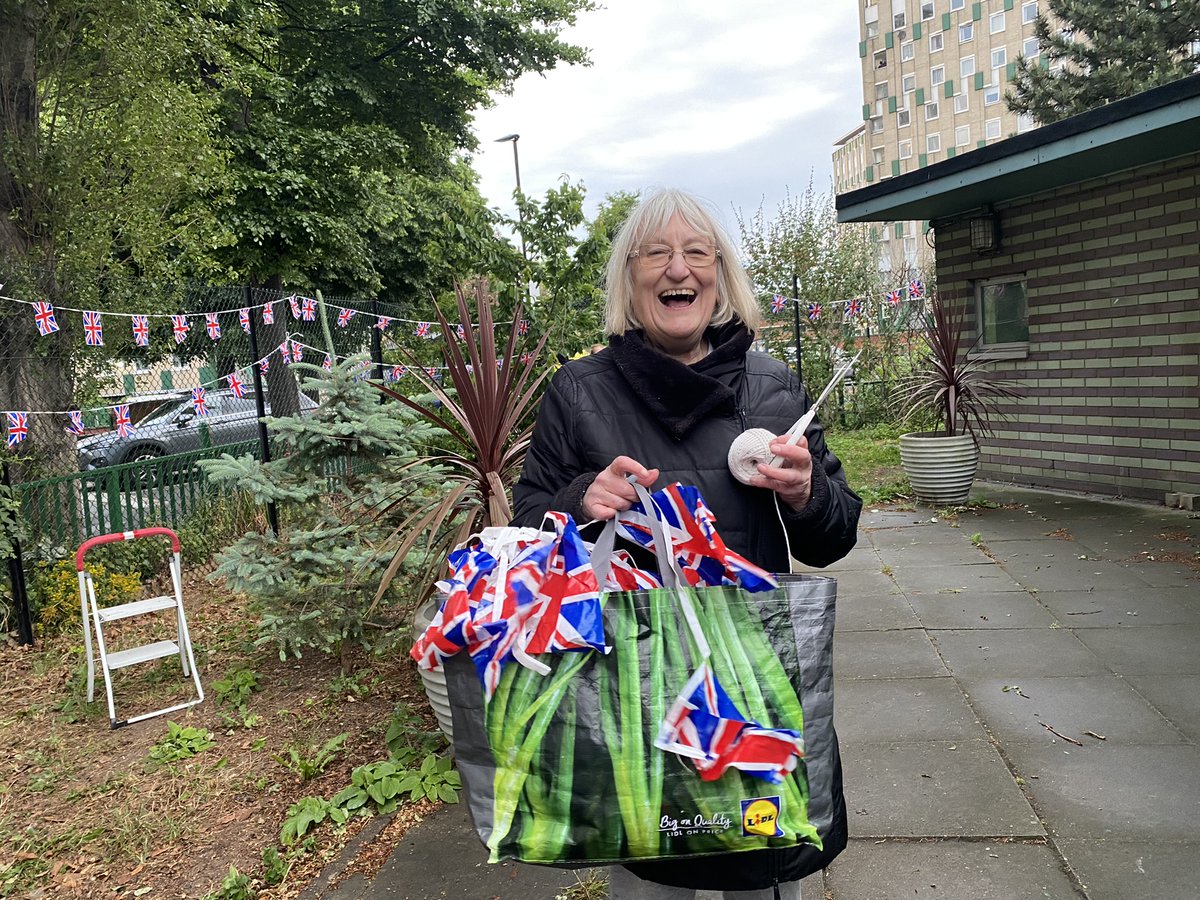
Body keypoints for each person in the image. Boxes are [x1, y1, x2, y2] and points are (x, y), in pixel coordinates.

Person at [512, 188, 862, 899]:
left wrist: (805, 493)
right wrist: (580, 499)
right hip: (634, 687)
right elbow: (525, 530)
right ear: (630, 278)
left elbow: (834, 537)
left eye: (698, 252)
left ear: (720, 274)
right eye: (658, 253)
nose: (680, 269)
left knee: (760, 874)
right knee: (653, 874)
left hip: (751, 680)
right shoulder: (579, 391)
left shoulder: (771, 387)